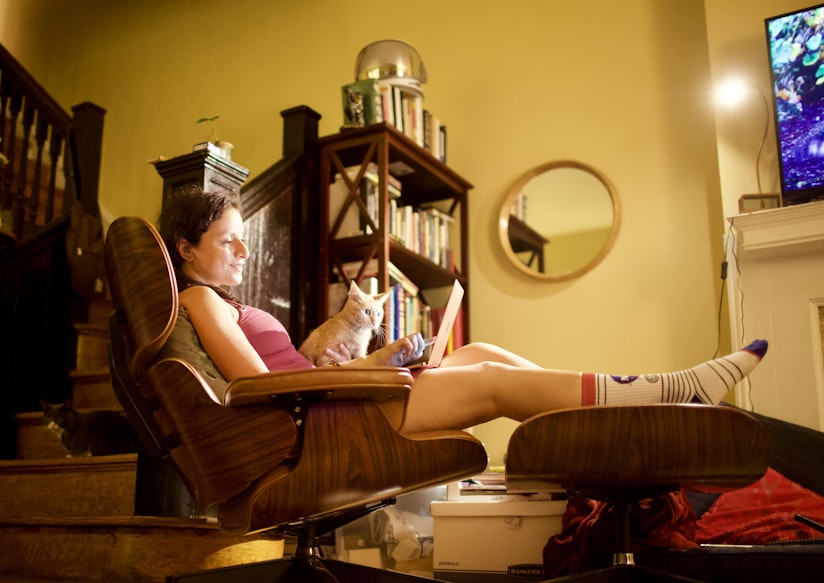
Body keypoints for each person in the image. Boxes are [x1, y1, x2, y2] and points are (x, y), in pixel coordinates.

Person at [157, 188, 767, 435]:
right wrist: (368, 376)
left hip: (334, 402)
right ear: (187, 249)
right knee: (492, 380)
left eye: (244, 238)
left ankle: (627, 412)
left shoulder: (229, 302)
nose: (242, 250)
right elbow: (259, 387)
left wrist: (377, 361)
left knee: (477, 352)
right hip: (320, 426)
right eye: (226, 240)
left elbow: (293, 372)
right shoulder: (199, 299)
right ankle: (659, 395)